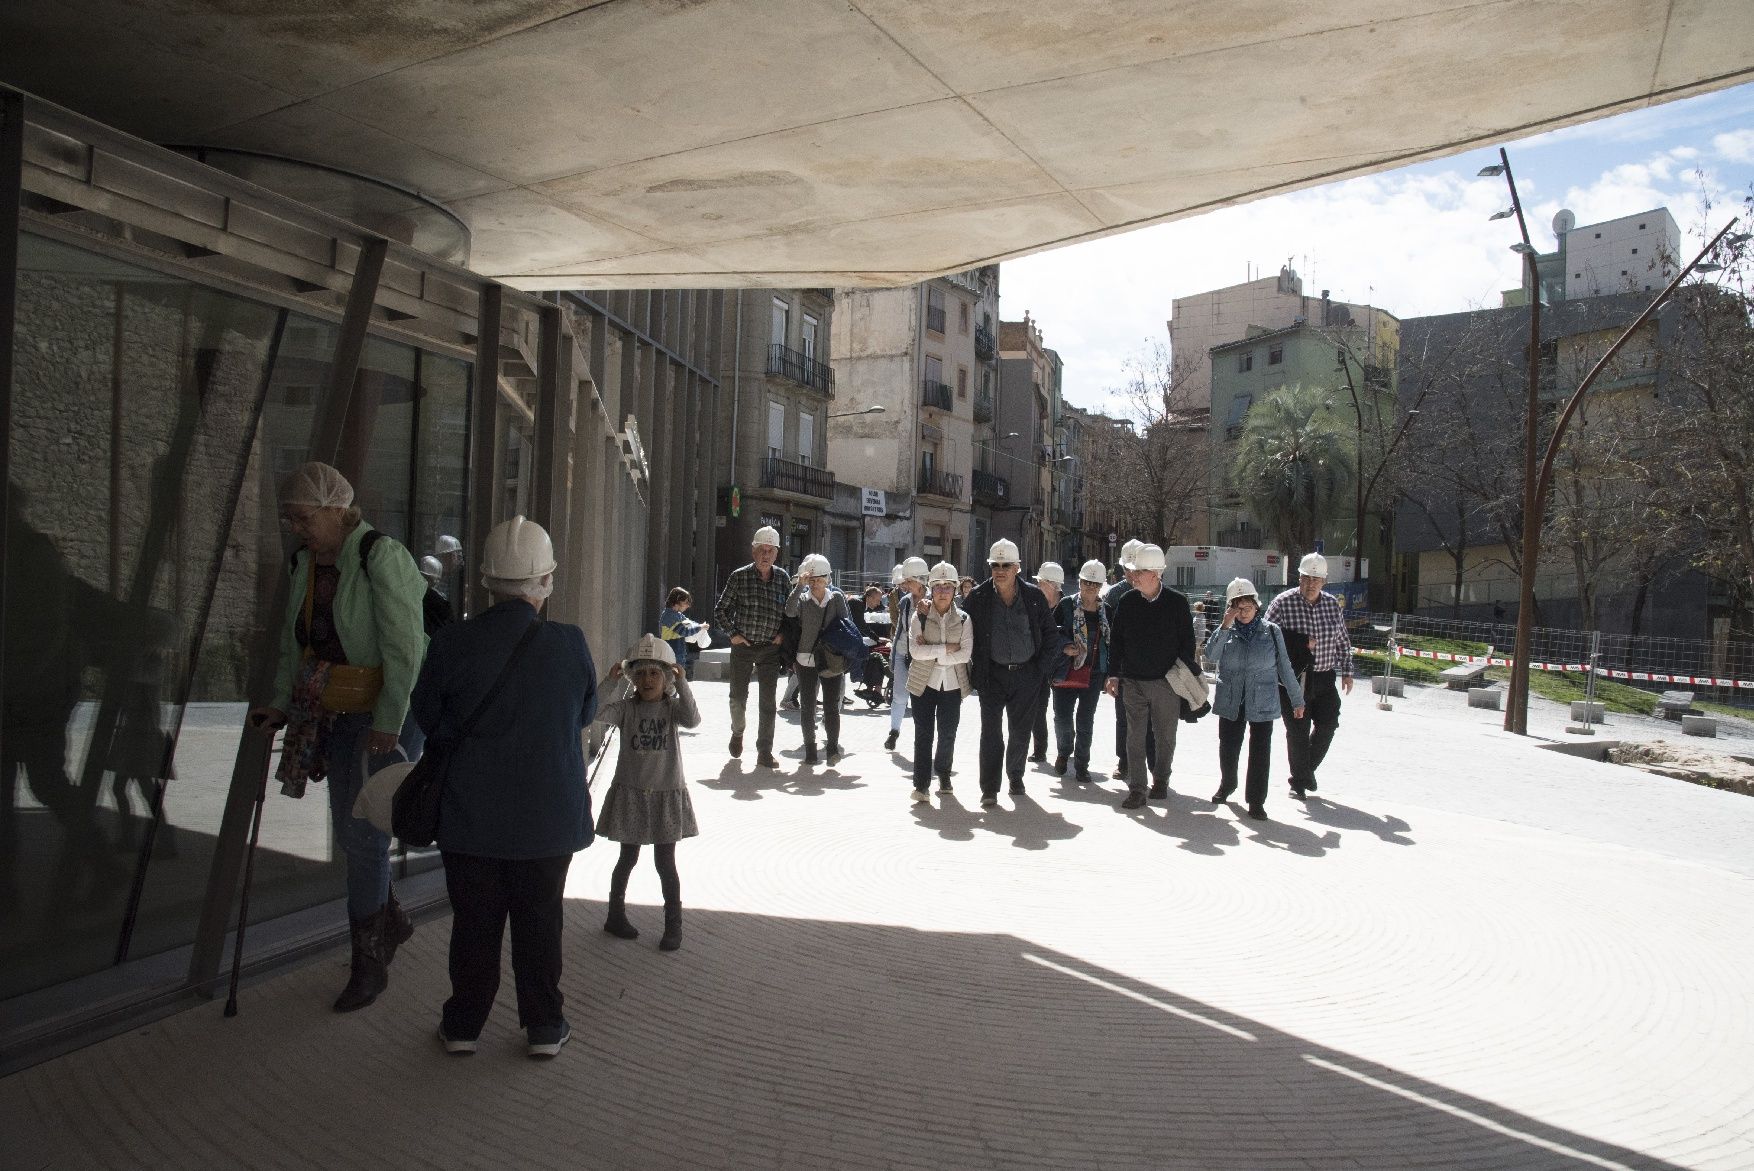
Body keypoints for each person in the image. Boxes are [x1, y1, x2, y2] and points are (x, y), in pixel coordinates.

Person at [412, 515, 597, 1057]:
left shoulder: (452, 642)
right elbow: (583, 712)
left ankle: (464, 1023)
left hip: (470, 814)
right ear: (546, 581)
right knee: (541, 923)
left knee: (474, 924)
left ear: (488, 581)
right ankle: (543, 1025)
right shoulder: (569, 644)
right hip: (548, 817)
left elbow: (427, 716)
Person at [249, 462, 428, 1014]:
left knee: (363, 834)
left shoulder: (381, 555)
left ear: (335, 509)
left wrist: (389, 723)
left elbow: (406, 649)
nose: (296, 528)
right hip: (337, 708)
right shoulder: (306, 562)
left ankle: (368, 965)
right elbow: (294, 645)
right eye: (291, 520)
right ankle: (389, 923)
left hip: (385, 710)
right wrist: (279, 702)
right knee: (355, 833)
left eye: (303, 517)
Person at [594, 634, 698, 953]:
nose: (648, 679)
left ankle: (673, 925)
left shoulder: (672, 709)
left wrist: (683, 685)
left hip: (666, 794)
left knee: (665, 863)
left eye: (654, 673)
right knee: (627, 858)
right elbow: (593, 712)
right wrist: (610, 682)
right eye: (640, 674)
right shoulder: (626, 709)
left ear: (666, 677)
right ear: (632, 679)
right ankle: (615, 915)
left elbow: (693, 719)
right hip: (632, 795)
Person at [963, 539, 1060, 808]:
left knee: (1020, 731)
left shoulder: (1034, 597)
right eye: (996, 565)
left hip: (1026, 676)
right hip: (991, 676)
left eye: (1006, 565)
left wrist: (1039, 671)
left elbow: (1052, 636)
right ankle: (990, 789)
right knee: (991, 733)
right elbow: (958, 625)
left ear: (1017, 567)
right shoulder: (979, 598)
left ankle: (1015, 777)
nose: (1000, 570)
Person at [1205, 578, 1305, 821]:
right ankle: (1228, 784)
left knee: (1260, 752)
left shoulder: (1271, 631)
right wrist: (1225, 626)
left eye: (1247, 606)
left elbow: (1285, 666)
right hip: (1231, 698)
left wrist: (1297, 700)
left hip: (1262, 699)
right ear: (1230, 608)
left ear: (1257, 606)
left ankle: (1256, 800)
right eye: (1238, 607)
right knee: (1228, 747)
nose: (1243, 612)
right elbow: (1210, 655)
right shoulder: (1226, 631)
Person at [1105, 543, 1196, 810]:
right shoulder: (1127, 601)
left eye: (1139, 571)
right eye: (1133, 571)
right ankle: (1137, 789)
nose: (1133, 576)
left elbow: (1187, 645)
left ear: (1155, 574)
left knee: (1165, 736)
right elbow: (1117, 642)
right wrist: (1113, 675)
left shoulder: (1177, 603)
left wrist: (1181, 678)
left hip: (1166, 683)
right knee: (1134, 737)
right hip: (1133, 682)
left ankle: (1161, 781)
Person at [1264, 552, 1355, 798]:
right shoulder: (1282, 603)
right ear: (1300, 577)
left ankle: (1303, 775)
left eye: (1316, 579)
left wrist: (1347, 671)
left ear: (1324, 581)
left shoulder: (1332, 605)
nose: (1311, 583)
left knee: (1328, 724)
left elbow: (1342, 641)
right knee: (1298, 731)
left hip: (1325, 676)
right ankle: (1301, 782)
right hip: (1294, 680)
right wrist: (1301, 643)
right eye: (1307, 577)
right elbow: (1266, 636)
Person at [714, 526, 791, 769]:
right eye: (761, 550)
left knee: (768, 703)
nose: (765, 555)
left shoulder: (783, 578)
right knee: (737, 698)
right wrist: (733, 634)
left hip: (770, 650)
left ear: (776, 553)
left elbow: (791, 615)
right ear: (753, 551)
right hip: (743, 648)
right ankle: (738, 732)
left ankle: (764, 751)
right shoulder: (739, 577)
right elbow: (720, 610)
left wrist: (783, 634)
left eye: (770, 550)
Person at [904, 561, 972, 801]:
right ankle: (921, 785)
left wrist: (932, 650)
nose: (943, 591)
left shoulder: (964, 619)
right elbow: (915, 652)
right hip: (923, 683)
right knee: (924, 733)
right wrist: (947, 649)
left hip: (952, 685)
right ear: (931, 588)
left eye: (948, 586)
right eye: (938, 586)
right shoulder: (919, 616)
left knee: (947, 733)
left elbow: (965, 653)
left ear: (955, 590)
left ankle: (944, 774)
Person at [785, 554, 850, 766]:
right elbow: (789, 611)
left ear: (828, 579)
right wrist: (799, 587)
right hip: (806, 658)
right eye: (812, 580)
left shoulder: (836, 598)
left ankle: (832, 748)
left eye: (820, 579)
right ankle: (811, 750)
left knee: (831, 705)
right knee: (808, 705)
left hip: (831, 659)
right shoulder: (802, 599)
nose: (815, 583)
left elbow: (846, 624)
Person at [1051, 560, 1110, 782]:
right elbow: (1050, 633)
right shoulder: (1066, 606)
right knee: (1063, 719)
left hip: (1094, 674)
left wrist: (1110, 675)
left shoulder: (1107, 612)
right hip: (1065, 671)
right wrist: (1065, 646)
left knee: (1086, 721)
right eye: (1086, 582)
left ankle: (1082, 765)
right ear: (1079, 582)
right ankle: (1064, 751)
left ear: (1101, 586)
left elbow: (1110, 644)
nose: (1090, 588)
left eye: (1095, 584)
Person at [1105, 539, 1152, 781]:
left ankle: (1152, 766)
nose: (1132, 573)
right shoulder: (1114, 595)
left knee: (1152, 721)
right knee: (1123, 717)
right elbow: (1109, 637)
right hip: (1124, 668)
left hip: (1154, 670)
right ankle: (1124, 761)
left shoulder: (1157, 591)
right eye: (1129, 569)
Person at [885, 557, 929, 751]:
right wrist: (893, 656)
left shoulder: (935, 599)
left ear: (919, 580)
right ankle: (894, 732)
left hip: (924, 658)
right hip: (903, 654)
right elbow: (899, 631)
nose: (905, 585)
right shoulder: (904, 601)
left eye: (908, 581)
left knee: (922, 701)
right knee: (899, 696)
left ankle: (922, 738)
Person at [1028, 561, 1065, 762]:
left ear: (1051, 585)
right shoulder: (1035, 604)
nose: (1038, 586)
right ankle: (1040, 750)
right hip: (1040, 666)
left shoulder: (1067, 608)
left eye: (1041, 583)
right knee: (1037, 709)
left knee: (1063, 715)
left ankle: (1064, 752)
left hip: (1062, 668)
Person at [658, 587, 710, 681]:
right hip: (671, 653)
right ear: (678, 601)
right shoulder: (669, 616)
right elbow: (684, 631)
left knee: (677, 679)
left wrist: (699, 626)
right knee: (671, 680)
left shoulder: (677, 615)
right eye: (686, 602)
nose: (688, 606)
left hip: (678, 652)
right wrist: (700, 628)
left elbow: (688, 623)